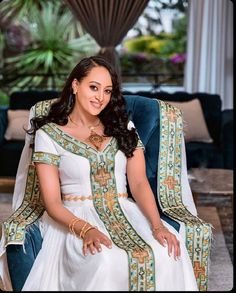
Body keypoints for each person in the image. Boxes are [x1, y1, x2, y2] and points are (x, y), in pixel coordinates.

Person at [0, 56, 199, 291]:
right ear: (75, 85)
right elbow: (51, 202)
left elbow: (138, 183)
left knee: (166, 251)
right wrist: (86, 230)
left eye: (107, 91)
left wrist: (157, 226)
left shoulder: (123, 127)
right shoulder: (49, 134)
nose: (100, 97)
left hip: (125, 210)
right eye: (93, 87)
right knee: (104, 259)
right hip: (73, 217)